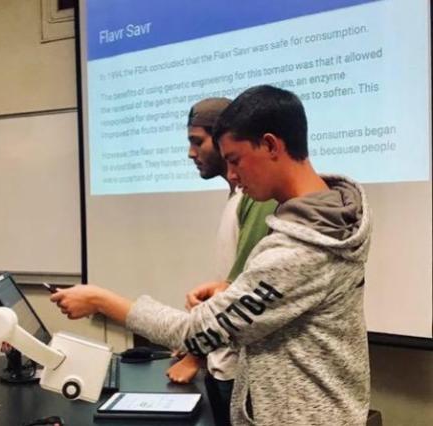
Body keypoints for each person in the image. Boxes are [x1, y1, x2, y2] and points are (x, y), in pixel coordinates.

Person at [50, 85, 372, 425]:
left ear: (271, 145)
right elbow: (290, 292)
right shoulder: (333, 212)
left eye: (235, 160)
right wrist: (236, 291)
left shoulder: (301, 248)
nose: (232, 175)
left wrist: (102, 301)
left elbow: (196, 332)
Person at [167, 97, 276, 426]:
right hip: (225, 364)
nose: (190, 153)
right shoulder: (237, 196)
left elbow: (241, 296)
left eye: (196, 142)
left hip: (239, 374)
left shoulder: (256, 199)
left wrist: (194, 355)